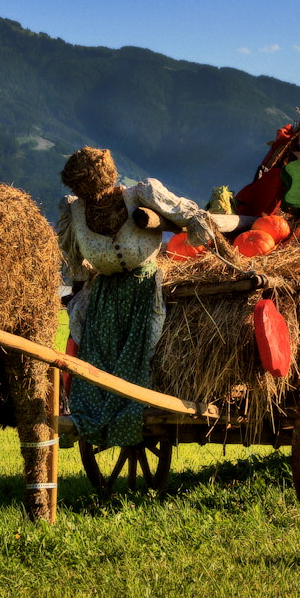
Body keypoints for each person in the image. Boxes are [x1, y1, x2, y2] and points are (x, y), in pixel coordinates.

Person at [57, 146, 213, 447]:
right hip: (104, 295)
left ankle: (132, 410)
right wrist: (79, 287)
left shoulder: (139, 194)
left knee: (138, 354)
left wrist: (202, 232)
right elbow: (74, 257)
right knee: (96, 360)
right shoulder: (74, 211)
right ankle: (91, 416)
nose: (86, 190)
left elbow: (185, 214)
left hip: (142, 289)